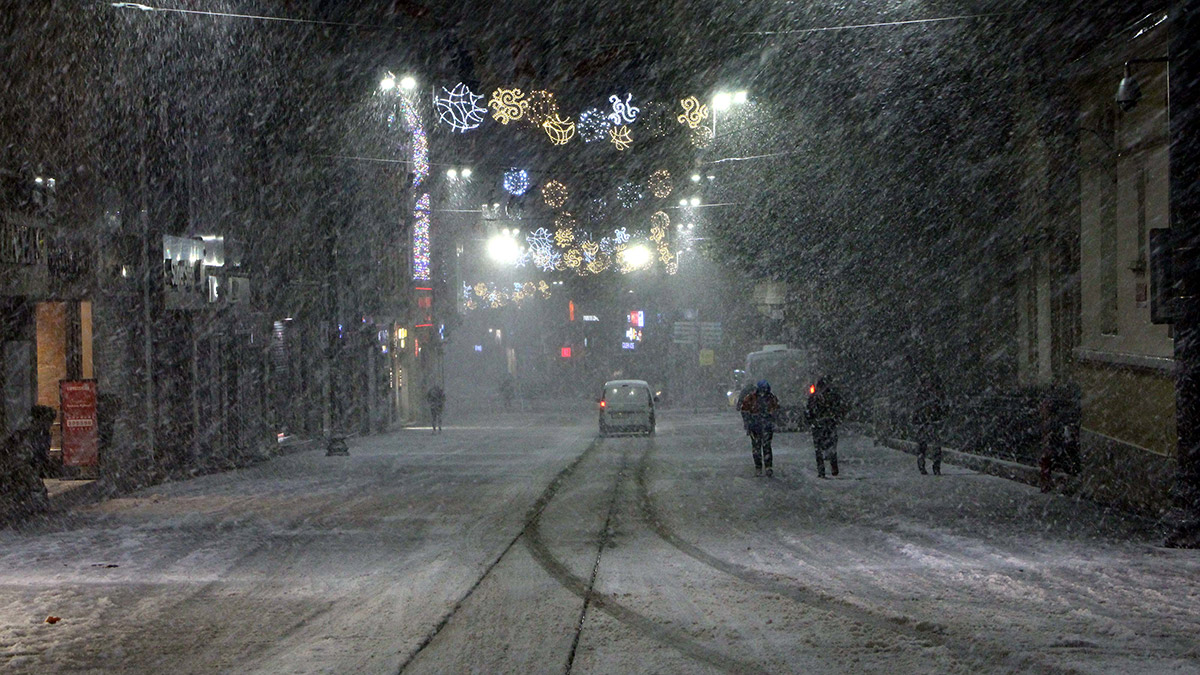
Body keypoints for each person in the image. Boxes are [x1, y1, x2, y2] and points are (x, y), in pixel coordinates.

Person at [806, 377, 846, 478]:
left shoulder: (814, 397)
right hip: (830, 423)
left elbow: (808, 411)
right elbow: (840, 409)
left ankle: (821, 470)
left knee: (818, 448)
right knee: (832, 446)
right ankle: (834, 467)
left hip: (818, 425)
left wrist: (811, 421)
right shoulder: (833, 396)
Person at [738, 380, 780, 477]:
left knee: (758, 447)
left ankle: (760, 467)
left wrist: (748, 422)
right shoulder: (770, 398)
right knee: (765, 447)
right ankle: (766, 466)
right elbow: (776, 410)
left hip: (757, 426)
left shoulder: (752, 398)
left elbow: (744, 410)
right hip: (762, 426)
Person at [912, 375, 946, 475]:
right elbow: (916, 410)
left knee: (935, 446)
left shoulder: (935, 394)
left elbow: (942, 408)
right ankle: (924, 465)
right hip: (925, 423)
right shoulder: (922, 395)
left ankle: (936, 467)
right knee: (924, 446)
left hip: (932, 423)